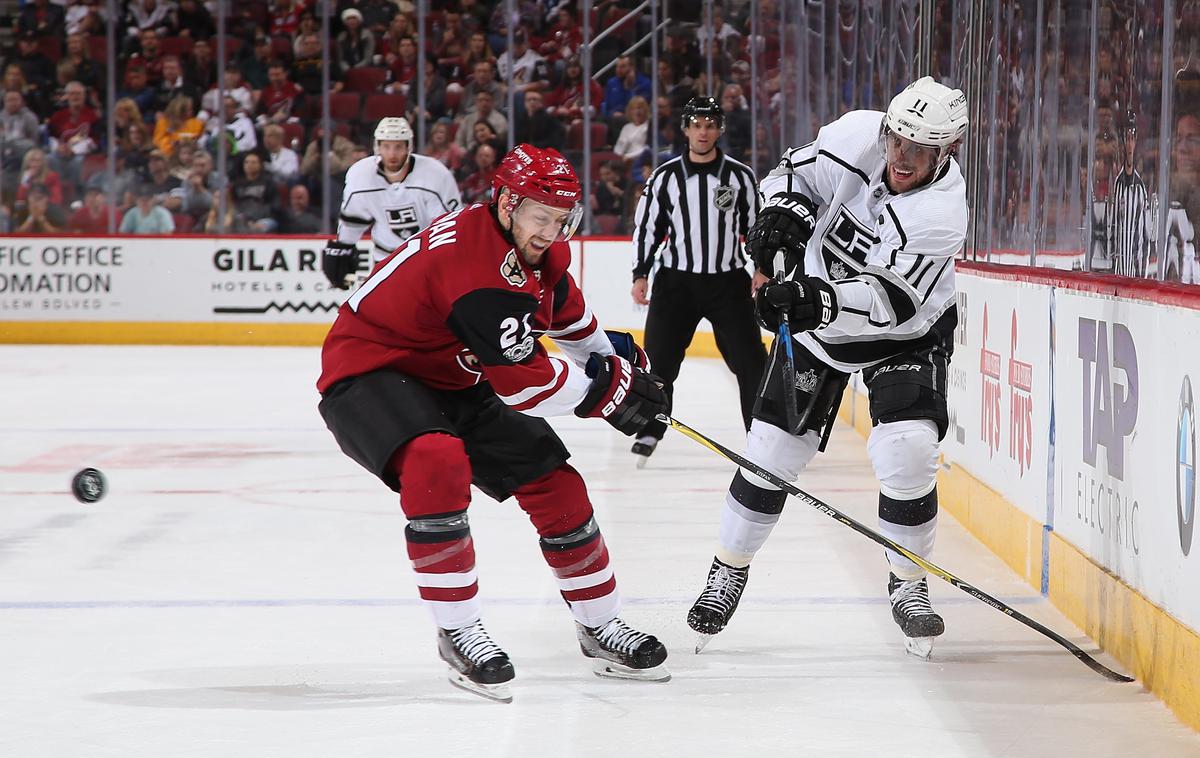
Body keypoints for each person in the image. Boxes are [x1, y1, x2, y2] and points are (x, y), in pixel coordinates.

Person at [316, 144, 671, 702]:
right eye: (540, 215)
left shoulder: (536, 252)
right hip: (371, 372)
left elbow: (574, 326)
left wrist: (619, 366)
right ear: (506, 203)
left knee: (557, 485)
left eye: (561, 219)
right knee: (437, 462)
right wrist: (604, 395)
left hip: (456, 379)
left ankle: (601, 624)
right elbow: (524, 384)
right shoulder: (472, 263)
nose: (552, 231)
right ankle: (458, 631)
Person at [685, 76, 970, 660]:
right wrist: (782, 218)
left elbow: (893, 301)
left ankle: (909, 582)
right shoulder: (857, 134)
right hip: (818, 334)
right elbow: (791, 176)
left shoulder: (941, 212)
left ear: (948, 151)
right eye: (897, 138)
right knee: (769, 454)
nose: (901, 156)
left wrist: (817, 299)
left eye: (920, 147)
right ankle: (728, 570)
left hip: (904, 337)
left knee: (908, 450)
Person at [629, 96, 766, 466]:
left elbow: (756, 228)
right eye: (697, 125)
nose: (703, 132)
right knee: (658, 360)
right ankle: (650, 427)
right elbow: (648, 229)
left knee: (751, 361)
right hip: (676, 285)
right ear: (686, 129)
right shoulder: (665, 177)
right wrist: (640, 274)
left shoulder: (740, 176)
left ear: (719, 129)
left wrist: (762, 266)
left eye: (710, 125)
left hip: (728, 283)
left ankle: (761, 437)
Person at [321, 117, 463, 289]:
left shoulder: (436, 175)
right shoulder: (361, 175)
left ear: (408, 147)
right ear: (377, 147)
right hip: (385, 259)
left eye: (398, 147)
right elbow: (353, 221)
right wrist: (343, 247)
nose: (392, 154)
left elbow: (449, 227)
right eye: (386, 146)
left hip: (427, 261)